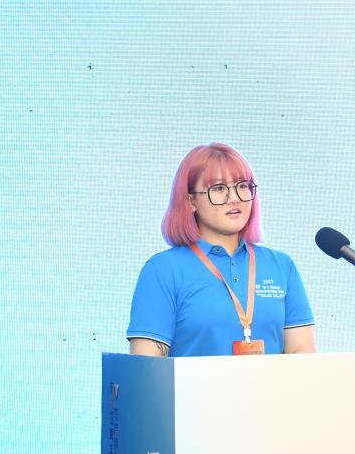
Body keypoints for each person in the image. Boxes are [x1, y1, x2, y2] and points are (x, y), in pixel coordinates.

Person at [127, 143, 315, 357]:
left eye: (242, 186)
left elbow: (302, 353)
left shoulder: (281, 266)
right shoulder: (162, 270)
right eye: (218, 188)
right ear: (190, 201)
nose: (234, 198)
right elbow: (147, 364)